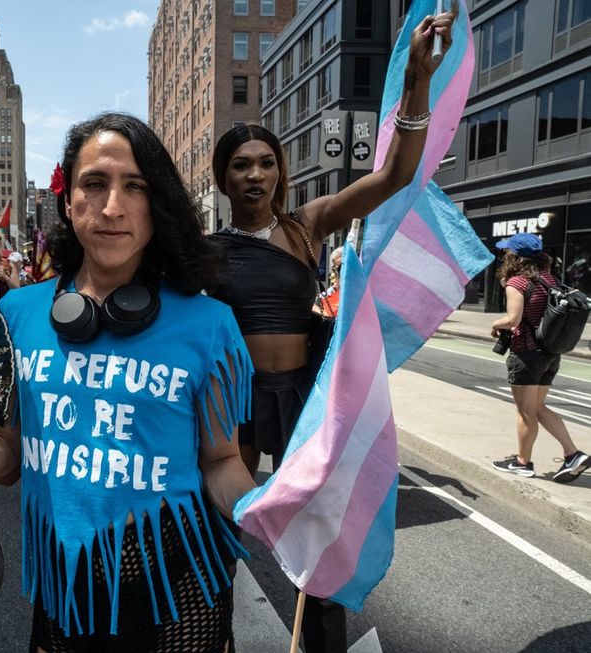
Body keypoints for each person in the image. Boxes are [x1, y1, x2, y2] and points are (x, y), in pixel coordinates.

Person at [0, 112, 258, 652]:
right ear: (68, 201)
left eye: (135, 187)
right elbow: (10, 459)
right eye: (94, 183)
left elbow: (222, 462)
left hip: (178, 584)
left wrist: (273, 513)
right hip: (66, 583)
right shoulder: (17, 315)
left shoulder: (210, 325)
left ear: (157, 205)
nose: (112, 207)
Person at [208, 9, 457, 653]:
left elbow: (393, 176)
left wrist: (418, 83)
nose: (255, 174)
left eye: (265, 162)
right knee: (213, 532)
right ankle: (206, 636)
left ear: (280, 172)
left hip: (300, 400)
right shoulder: (200, 251)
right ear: (223, 176)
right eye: (241, 165)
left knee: (319, 533)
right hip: (230, 405)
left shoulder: (306, 226)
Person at [489, 233, 590, 483]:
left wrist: (495, 323)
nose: (506, 255)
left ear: (516, 256)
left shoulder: (517, 282)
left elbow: (513, 319)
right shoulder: (549, 279)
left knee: (525, 411)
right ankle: (572, 454)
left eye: (508, 251)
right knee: (537, 408)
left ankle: (523, 463)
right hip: (549, 354)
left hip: (526, 353)